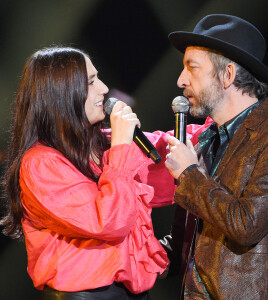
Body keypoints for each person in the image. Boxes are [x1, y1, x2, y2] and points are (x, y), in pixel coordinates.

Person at [0, 46, 178, 300]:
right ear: (62, 93)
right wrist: (120, 148)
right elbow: (109, 221)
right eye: (91, 82)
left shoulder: (103, 144)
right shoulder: (41, 164)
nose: (104, 89)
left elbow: (164, 159)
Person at [161, 14, 268, 299]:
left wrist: (189, 174)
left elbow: (246, 224)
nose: (180, 80)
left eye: (192, 68)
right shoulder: (203, 144)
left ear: (228, 75)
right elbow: (184, 243)